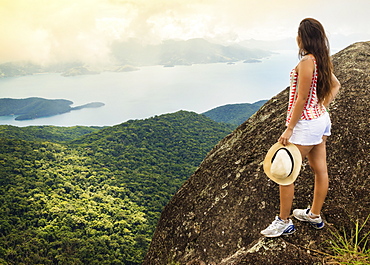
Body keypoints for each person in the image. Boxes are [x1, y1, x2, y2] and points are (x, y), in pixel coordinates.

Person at [261, 18, 341, 237]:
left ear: (302, 37)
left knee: (285, 172)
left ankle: (284, 221)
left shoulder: (307, 61)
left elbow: (301, 98)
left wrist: (289, 128)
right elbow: (336, 85)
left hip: (305, 125)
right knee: (320, 170)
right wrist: (322, 106)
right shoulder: (322, 58)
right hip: (320, 121)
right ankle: (314, 215)